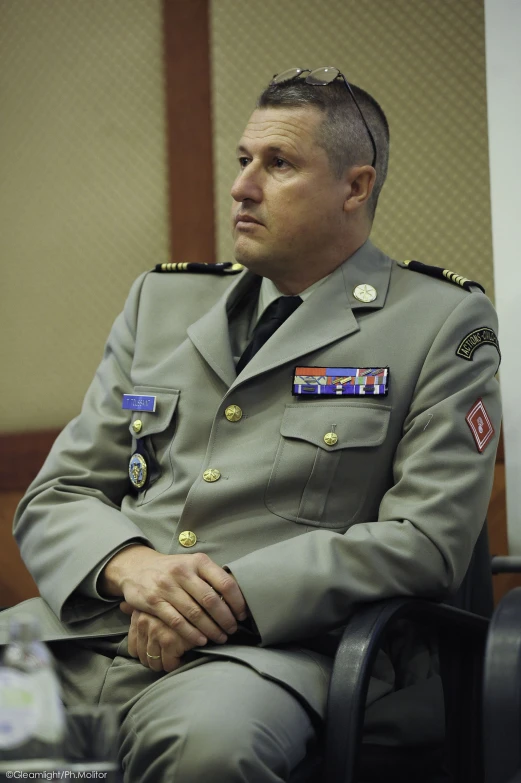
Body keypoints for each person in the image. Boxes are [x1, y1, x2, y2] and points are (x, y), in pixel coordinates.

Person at [3, 67, 501, 781]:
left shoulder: (440, 323)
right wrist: (131, 567)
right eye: (243, 160)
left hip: (265, 656)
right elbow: (56, 495)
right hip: (88, 638)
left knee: (207, 752)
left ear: (354, 187)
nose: (241, 186)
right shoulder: (162, 302)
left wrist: (223, 593)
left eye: (278, 164)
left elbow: (425, 540)